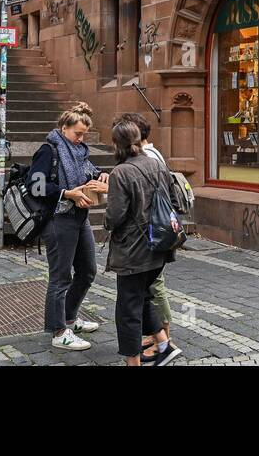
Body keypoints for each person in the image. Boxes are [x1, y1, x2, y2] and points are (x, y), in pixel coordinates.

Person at [30, 102, 109, 351]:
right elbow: (37, 186)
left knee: (87, 271)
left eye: (84, 134)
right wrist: (67, 194)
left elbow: (88, 172)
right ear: (64, 128)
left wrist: (102, 175)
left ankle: (70, 318)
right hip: (57, 220)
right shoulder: (48, 151)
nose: (81, 138)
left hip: (78, 218)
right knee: (60, 277)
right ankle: (58, 331)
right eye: (77, 133)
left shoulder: (80, 151)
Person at [105, 117, 174, 366]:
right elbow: (173, 201)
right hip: (160, 246)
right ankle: (164, 343)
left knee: (127, 310)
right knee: (143, 296)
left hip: (133, 252)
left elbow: (114, 216)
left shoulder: (121, 172)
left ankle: (132, 362)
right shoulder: (157, 164)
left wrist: (106, 222)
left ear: (116, 144)